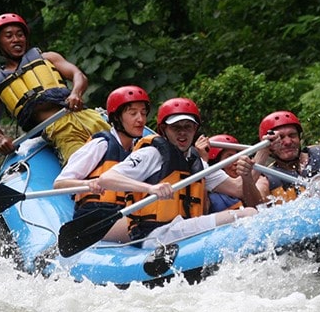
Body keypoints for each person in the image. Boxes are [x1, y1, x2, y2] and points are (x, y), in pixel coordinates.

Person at [97, 98, 264, 247]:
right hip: (155, 235)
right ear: (164, 130)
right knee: (248, 214)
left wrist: (262, 154)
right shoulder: (152, 154)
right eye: (176, 127)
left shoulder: (198, 163)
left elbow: (238, 189)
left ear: (195, 129)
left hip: (183, 231)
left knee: (250, 213)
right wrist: (150, 188)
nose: (182, 132)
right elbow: (107, 179)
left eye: (188, 127)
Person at [0, 12, 110, 165]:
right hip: (58, 131)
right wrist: (1, 139)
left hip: (86, 117)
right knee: (85, 167)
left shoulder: (48, 58)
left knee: (123, 151)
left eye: (20, 34)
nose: (16, 39)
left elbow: (78, 75)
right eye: (9, 36)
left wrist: (76, 93)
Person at [53, 85, 150, 241]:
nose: (140, 119)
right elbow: (59, 183)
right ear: (117, 118)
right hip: (94, 220)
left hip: (122, 215)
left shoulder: (140, 151)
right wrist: (89, 184)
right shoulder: (101, 145)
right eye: (133, 113)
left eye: (143, 113)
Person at [252, 110, 320, 203]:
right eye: (280, 138)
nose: (288, 142)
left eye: (292, 135)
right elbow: (254, 204)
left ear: (299, 137)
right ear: (268, 146)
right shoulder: (267, 181)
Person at [202, 133, 248, 213]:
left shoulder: (256, 180)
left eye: (237, 157)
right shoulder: (209, 197)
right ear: (215, 163)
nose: (236, 162)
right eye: (229, 157)